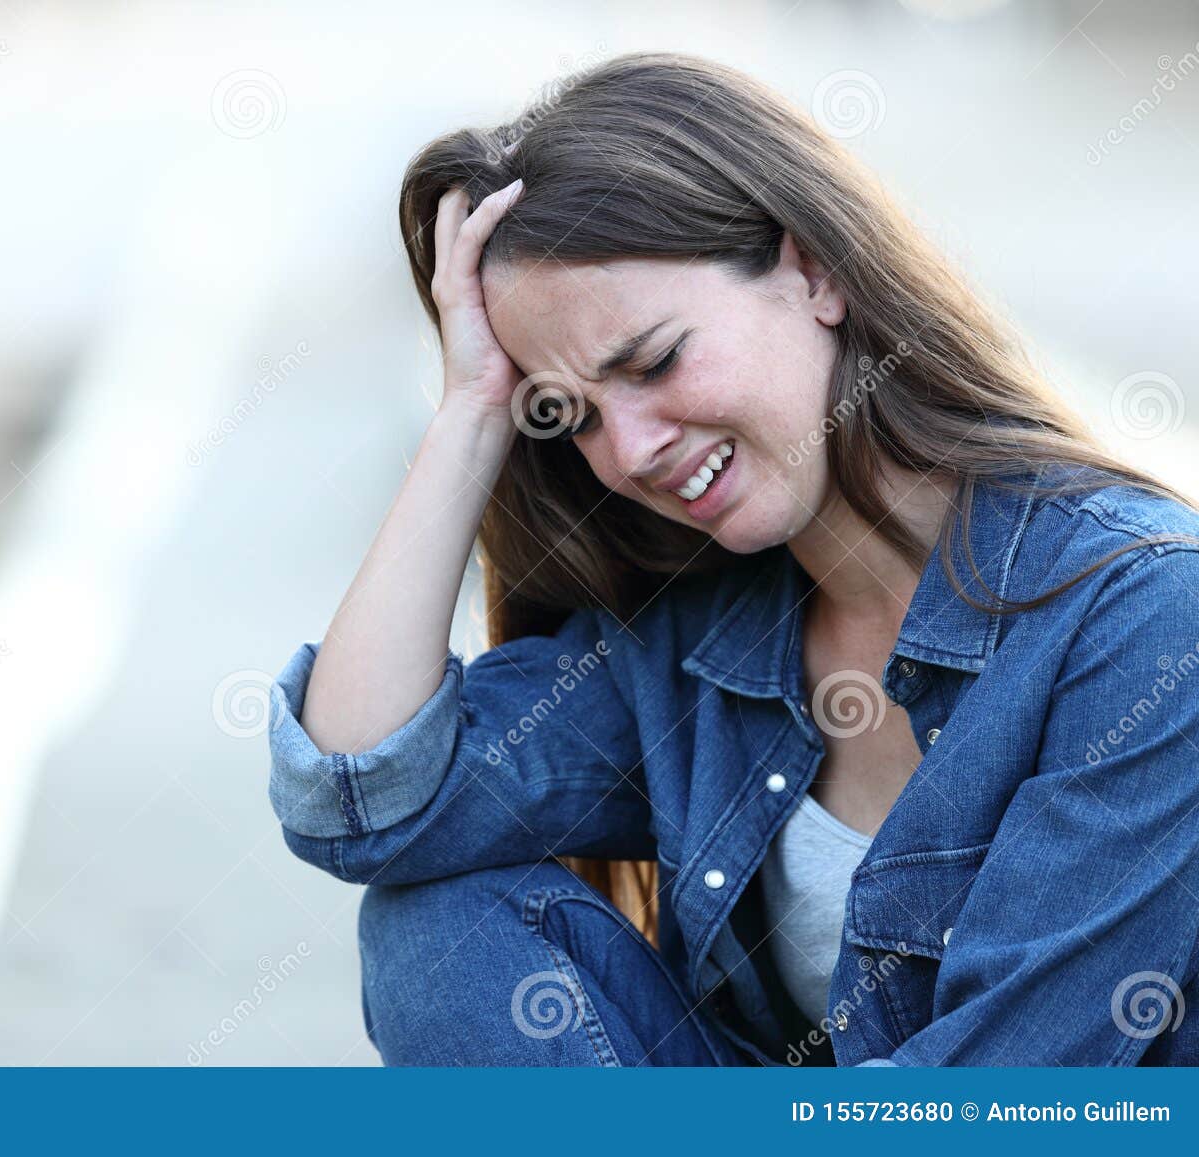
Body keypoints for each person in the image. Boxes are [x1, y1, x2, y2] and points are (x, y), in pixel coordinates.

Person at [265, 52, 1199, 1066]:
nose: (628, 450)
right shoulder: (697, 637)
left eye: (655, 360)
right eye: (568, 414)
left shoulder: (1143, 613)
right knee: (434, 924)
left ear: (815, 272)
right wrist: (472, 415)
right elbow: (367, 806)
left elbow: (998, 1096)